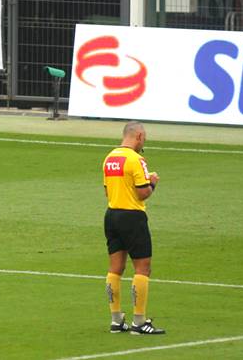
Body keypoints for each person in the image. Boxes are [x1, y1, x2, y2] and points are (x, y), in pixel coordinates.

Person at [102, 121, 164, 335]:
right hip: (132, 217)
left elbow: (107, 192)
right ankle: (139, 322)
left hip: (111, 215)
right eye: (144, 138)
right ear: (138, 136)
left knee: (115, 268)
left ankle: (116, 320)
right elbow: (143, 193)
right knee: (143, 268)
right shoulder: (136, 160)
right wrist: (153, 181)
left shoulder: (110, 158)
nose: (143, 142)